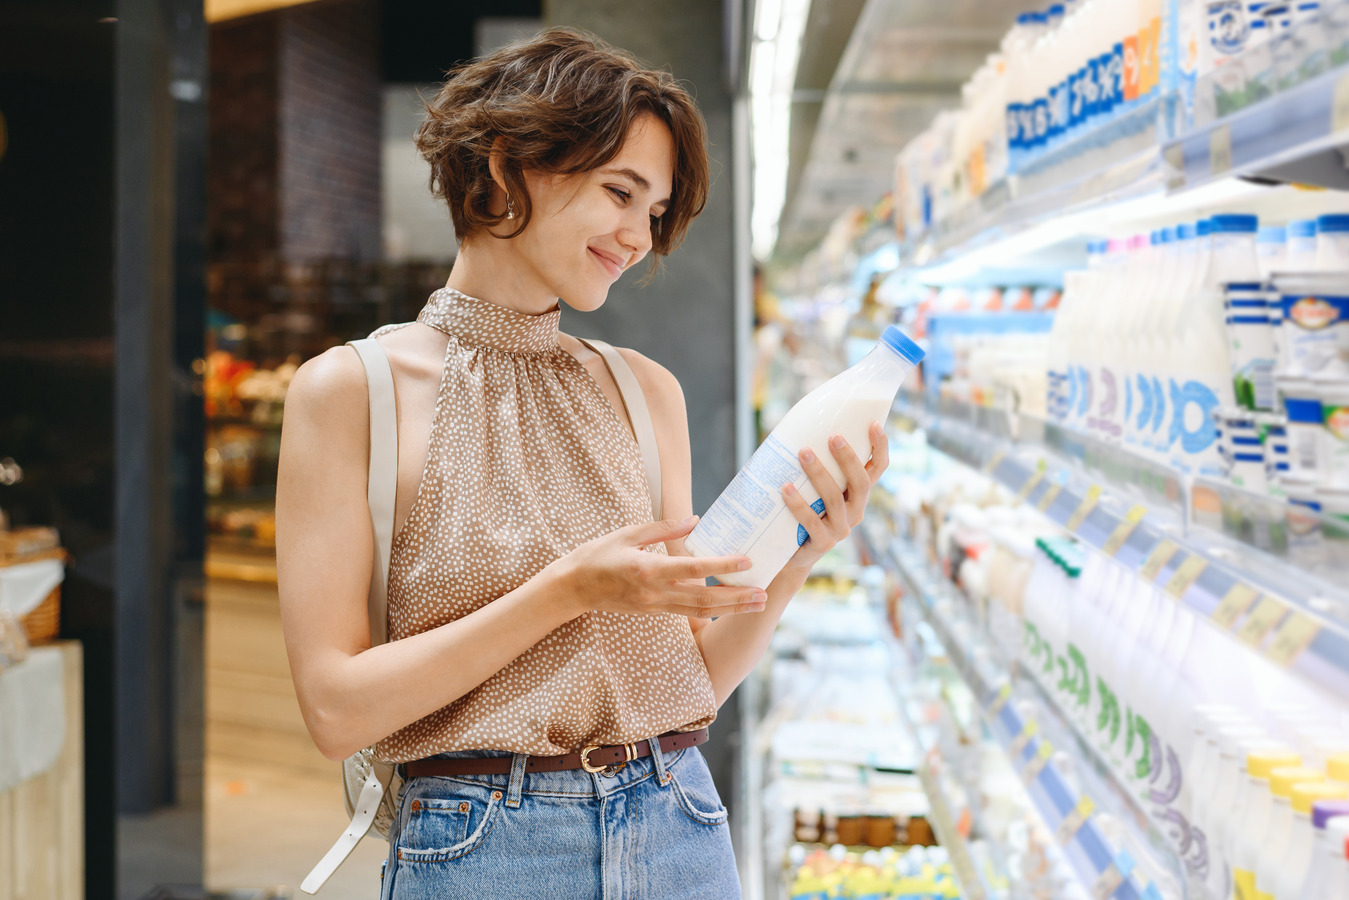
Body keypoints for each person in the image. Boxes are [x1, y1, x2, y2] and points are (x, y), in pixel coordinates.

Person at [275, 29, 889, 899]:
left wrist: (803, 553)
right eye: (620, 192)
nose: (639, 235)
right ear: (505, 166)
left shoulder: (645, 393)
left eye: (656, 210)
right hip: (484, 843)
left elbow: (694, 677)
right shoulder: (351, 391)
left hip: (680, 821)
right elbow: (335, 711)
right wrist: (570, 591)